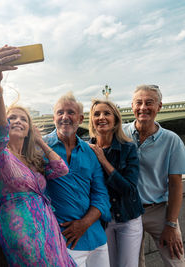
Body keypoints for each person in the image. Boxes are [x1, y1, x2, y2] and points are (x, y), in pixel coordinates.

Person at [0, 45, 76, 266]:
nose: (17, 121)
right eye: (12, 118)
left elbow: (61, 168)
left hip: (47, 224)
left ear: (29, 129)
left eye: (23, 119)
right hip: (20, 228)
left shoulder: (33, 160)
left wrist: (40, 143)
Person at [122, 84, 185, 267]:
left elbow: (176, 185)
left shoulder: (172, 140)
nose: (143, 107)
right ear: (132, 106)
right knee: (131, 264)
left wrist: (171, 225)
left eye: (149, 103)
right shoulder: (119, 134)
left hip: (158, 211)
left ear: (159, 107)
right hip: (127, 211)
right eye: (139, 102)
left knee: (176, 260)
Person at [44, 92, 111, 267]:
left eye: (71, 112)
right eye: (60, 112)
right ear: (54, 118)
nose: (65, 117)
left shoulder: (90, 152)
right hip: (63, 240)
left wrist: (84, 223)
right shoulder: (39, 148)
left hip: (96, 238)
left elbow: (101, 194)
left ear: (80, 119)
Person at [87, 99, 144, 267]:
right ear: (91, 120)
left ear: (115, 120)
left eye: (107, 113)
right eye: (96, 114)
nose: (101, 117)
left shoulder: (128, 148)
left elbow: (129, 190)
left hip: (127, 218)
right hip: (101, 220)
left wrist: (104, 161)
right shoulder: (85, 148)